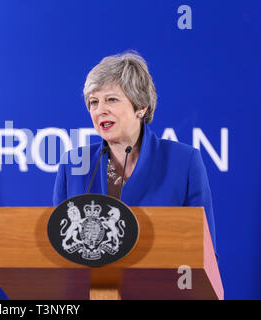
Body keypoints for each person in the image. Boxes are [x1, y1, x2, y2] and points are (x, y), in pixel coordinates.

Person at [53, 51, 218, 256]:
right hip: (90, 286)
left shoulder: (183, 162)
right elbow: (60, 248)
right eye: (94, 102)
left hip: (163, 285)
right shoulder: (74, 164)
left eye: (111, 99)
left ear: (141, 106)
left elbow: (204, 251)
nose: (100, 110)